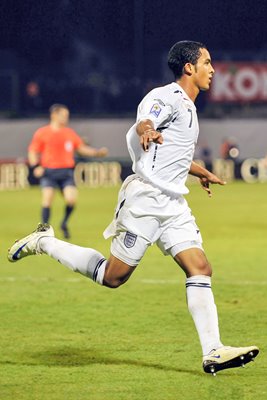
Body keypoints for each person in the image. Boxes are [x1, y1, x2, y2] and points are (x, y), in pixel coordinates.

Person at [8, 41, 259, 375]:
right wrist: (147, 129)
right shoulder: (167, 97)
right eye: (207, 63)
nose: (212, 69)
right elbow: (147, 118)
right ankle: (45, 242)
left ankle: (213, 350)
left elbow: (172, 153)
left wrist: (200, 171)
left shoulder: (189, 106)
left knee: (200, 267)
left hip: (173, 203)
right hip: (146, 201)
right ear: (189, 68)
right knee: (112, 277)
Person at [28, 104, 108, 239]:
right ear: (54, 115)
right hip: (49, 172)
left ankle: (64, 223)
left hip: (66, 172)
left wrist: (96, 153)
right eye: (63, 115)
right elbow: (33, 151)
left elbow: (81, 148)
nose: (66, 118)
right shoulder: (43, 132)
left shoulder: (69, 133)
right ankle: (44, 230)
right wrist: (35, 166)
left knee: (71, 200)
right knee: (47, 200)